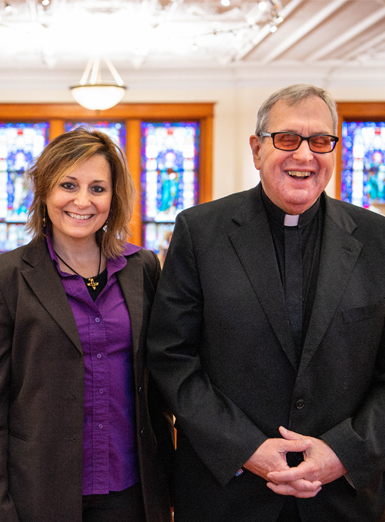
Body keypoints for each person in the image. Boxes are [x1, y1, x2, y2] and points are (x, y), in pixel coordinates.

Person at [147, 84, 385, 522]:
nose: (304, 155)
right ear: (257, 149)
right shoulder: (201, 232)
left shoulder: (378, 240)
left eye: (320, 141)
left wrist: (345, 451)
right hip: (227, 494)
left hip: (342, 498)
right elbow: (171, 359)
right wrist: (245, 448)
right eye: (287, 139)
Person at [0, 128, 174, 522]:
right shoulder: (2, 278)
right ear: (44, 191)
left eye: (98, 188)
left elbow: (156, 389)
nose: (82, 201)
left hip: (130, 488)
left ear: (114, 198)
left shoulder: (142, 268)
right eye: (68, 185)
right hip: (41, 490)